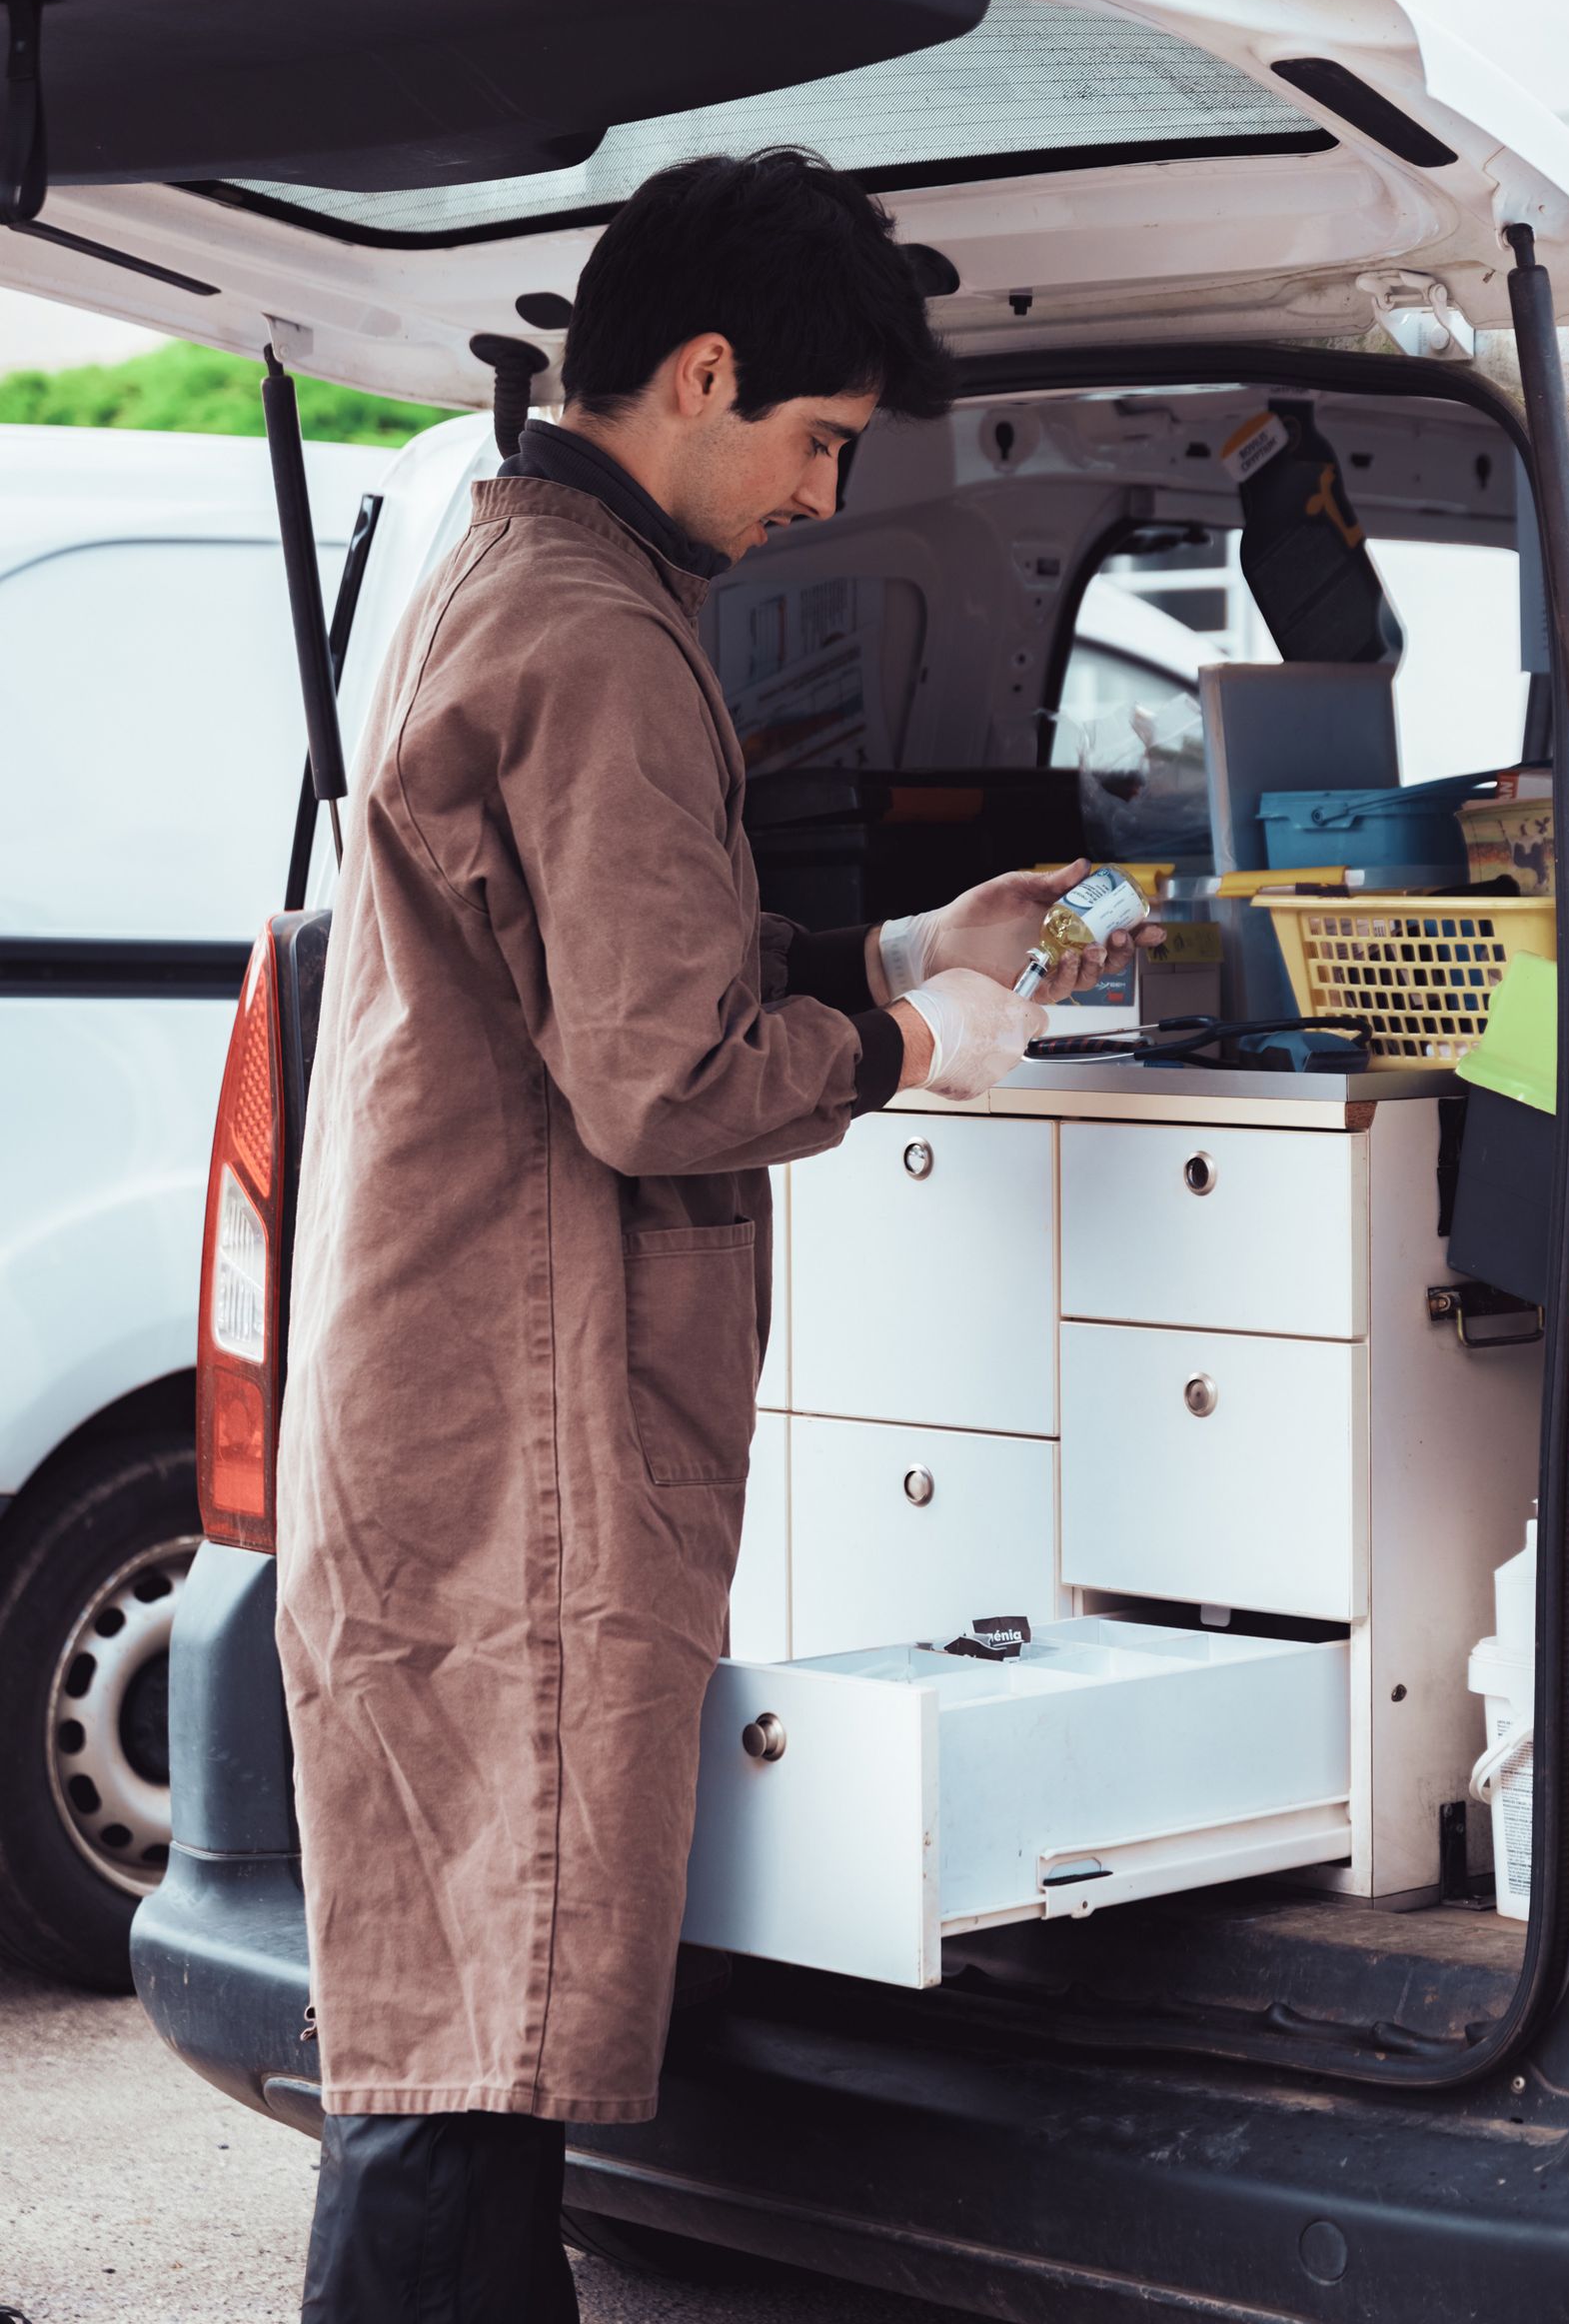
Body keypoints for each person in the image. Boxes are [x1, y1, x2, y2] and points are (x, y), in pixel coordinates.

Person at [277, 148, 1149, 2319]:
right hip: (526, 1408)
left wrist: (893, 949)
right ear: (698, 373)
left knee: (461, 2012)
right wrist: (919, 1049)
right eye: (820, 440)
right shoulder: (600, 638)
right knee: (479, 2038)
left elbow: (616, 959)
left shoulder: (508, 570)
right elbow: (660, 1078)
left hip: (456, 1384)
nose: (824, 499)